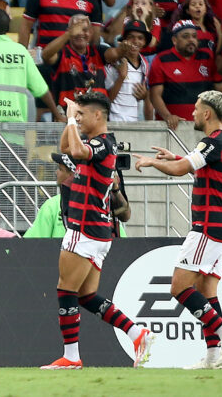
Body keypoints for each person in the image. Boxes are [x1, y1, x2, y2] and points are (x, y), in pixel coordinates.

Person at [133, 90, 222, 369]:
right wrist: (174, 156)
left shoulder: (213, 141)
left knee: (179, 286)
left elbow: (181, 169)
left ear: (207, 113)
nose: (192, 113)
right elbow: (205, 168)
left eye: (196, 109)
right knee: (206, 289)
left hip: (208, 226)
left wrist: (153, 162)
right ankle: (213, 358)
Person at [41, 92, 152, 370]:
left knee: (65, 290)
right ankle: (137, 333)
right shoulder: (96, 142)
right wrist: (70, 121)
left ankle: (71, 356)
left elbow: (77, 152)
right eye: (76, 115)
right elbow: (68, 148)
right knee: (86, 296)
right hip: (98, 230)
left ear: (98, 116)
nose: (78, 119)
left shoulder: (103, 144)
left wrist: (69, 119)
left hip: (84, 226)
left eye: (82, 115)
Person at [149, 20, 222, 130]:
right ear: (174, 40)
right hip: (173, 128)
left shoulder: (206, 57)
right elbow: (155, 95)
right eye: (185, 36)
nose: (191, 40)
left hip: (203, 128)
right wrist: (168, 116)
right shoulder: (161, 60)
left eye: (194, 36)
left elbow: (220, 88)